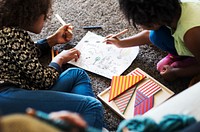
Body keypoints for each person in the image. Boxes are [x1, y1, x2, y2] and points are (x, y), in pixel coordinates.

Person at [0, 0, 104, 129]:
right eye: (45, 16)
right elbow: (43, 80)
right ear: (32, 15)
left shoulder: (6, 31)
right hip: (6, 96)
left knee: (77, 74)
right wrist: (58, 60)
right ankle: (85, 122)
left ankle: (75, 121)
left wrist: (52, 40)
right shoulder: (13, 34)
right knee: (92, 106)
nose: (46, 20)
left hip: (10, 95)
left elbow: (24, 53)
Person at [104, 0, 200, 82]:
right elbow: (148, 35)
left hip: (195, 44)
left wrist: (176, 73)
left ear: (153, 23)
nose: (140, 26)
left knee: (166, 68)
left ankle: (192, 60)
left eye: (139, 23)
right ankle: (182, 56)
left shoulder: (192, 34)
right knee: (156, 36)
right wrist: (120, 43)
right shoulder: (172, 10)